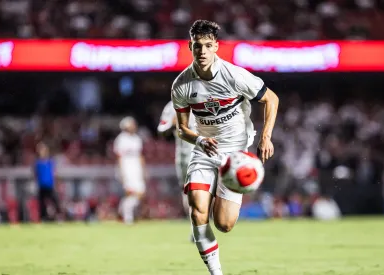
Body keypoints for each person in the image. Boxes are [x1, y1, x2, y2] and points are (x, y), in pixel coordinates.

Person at [171, 20, 279, 275]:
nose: (203, 51)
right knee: (198, 213)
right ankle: (216, 273)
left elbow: (271, 99)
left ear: (216, 46)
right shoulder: (181, 85)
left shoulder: (235, 75)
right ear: (190, 46)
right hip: (204, 150)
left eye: (208, 45)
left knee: (224, 224)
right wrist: (199, 140)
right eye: (198, 46)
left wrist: (266, 137)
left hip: (235, 154)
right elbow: (182, 129)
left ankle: (225, 193)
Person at [157, 101, 196, 216]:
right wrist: (172, 124)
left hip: (203, 150)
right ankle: (194, 222)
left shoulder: (206, 100)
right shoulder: (171, 106)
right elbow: (161, 131)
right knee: (186, 188)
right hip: (183, 151)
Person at [114, 116, 147, 224]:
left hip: (136, 168)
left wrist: (143, 169)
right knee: (130, 192)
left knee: (140, 192)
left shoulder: (137, 139)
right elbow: (119, 157)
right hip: (126, 168)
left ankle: (122, 209)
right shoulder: (120, 139)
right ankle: (128, 217)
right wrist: (121, 171)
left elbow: (140, 156)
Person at [33, 142, 61, 221]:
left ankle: (59, 216)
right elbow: (36, 174)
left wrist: (56, 183)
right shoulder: (37, 163)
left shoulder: (50, 162)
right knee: (41, 204)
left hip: (50, 185)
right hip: (42, 186)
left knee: (55, 201)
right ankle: (43, 218)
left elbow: (54, 173)